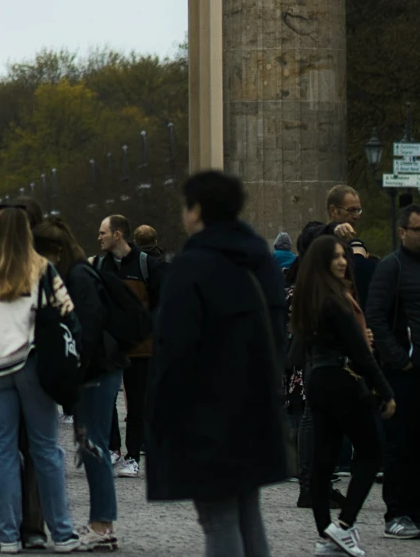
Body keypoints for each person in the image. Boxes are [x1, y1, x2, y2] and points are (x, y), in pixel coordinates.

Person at [145, 168, 289, 557]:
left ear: (196, 211)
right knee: (247, 513)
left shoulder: (191, 267)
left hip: (205, 413)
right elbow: (278, 331)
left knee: (218, 519)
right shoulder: (261, 259)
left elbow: (173, 350)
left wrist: (160, 415)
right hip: (256, 407)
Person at [0, 204, 80, 555]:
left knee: (2, 452)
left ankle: (6, 534)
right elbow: (68, 316)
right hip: (32, 364)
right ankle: (62, 532)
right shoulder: (42, 269)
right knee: (46, 450)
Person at [292, 233, 395, 555]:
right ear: (322, 263)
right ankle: (344, 525)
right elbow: (360, 354)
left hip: (319, 378)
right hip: (342, 379)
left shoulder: (309, 298)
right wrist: (386, 390)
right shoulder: (335, 301)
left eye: (343, 255)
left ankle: (326, 534)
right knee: (370, 453)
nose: (342, 261)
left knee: (324, 460)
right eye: (335, 256)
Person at [36, 217, 132, 551]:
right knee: (93, 447)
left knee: (94, 447)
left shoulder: (77, 277)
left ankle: (103, 525)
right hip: (100, 368)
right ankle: (100, 521)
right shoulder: (80, 273)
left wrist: (77, 370)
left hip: (97, 371)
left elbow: (87, 328)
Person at [365, 202, 420, 539]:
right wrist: (400, 359)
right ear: (402, 232)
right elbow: (376, 317)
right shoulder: (392, 267)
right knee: (402, 444)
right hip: (405, 372)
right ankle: (397, 513)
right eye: (418, 229)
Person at [93, 215, 164, 475]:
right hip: (110, 347)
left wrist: (146, 329)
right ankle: (113, 448)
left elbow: (162, 303)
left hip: (140, 346)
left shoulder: (147, 266)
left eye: (103, 232)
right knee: (106, 400)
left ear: (118, 234)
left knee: (136, 404)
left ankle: (132, 456)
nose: (99, 237)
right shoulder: (101, 266)